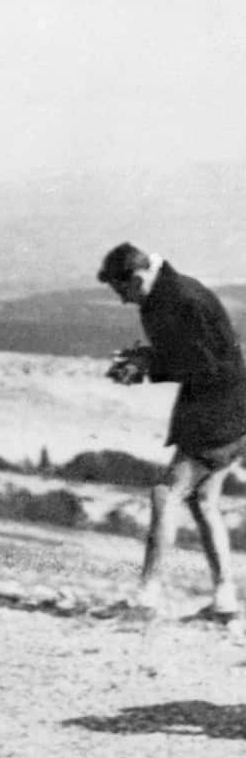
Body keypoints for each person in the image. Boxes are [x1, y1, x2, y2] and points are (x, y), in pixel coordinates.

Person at [98, 242, 246, 620]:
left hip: (217, 414)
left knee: (166, 495)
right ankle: (225, 600)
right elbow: (199, 358)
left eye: (121, 291)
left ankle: (147, 598)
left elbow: (206, 365)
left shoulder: (179, 298)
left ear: (136, 277)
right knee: (203, 502)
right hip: (233, 409)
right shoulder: (172, 292)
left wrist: (148, 366)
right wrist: (148, 362)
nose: (122, 301)